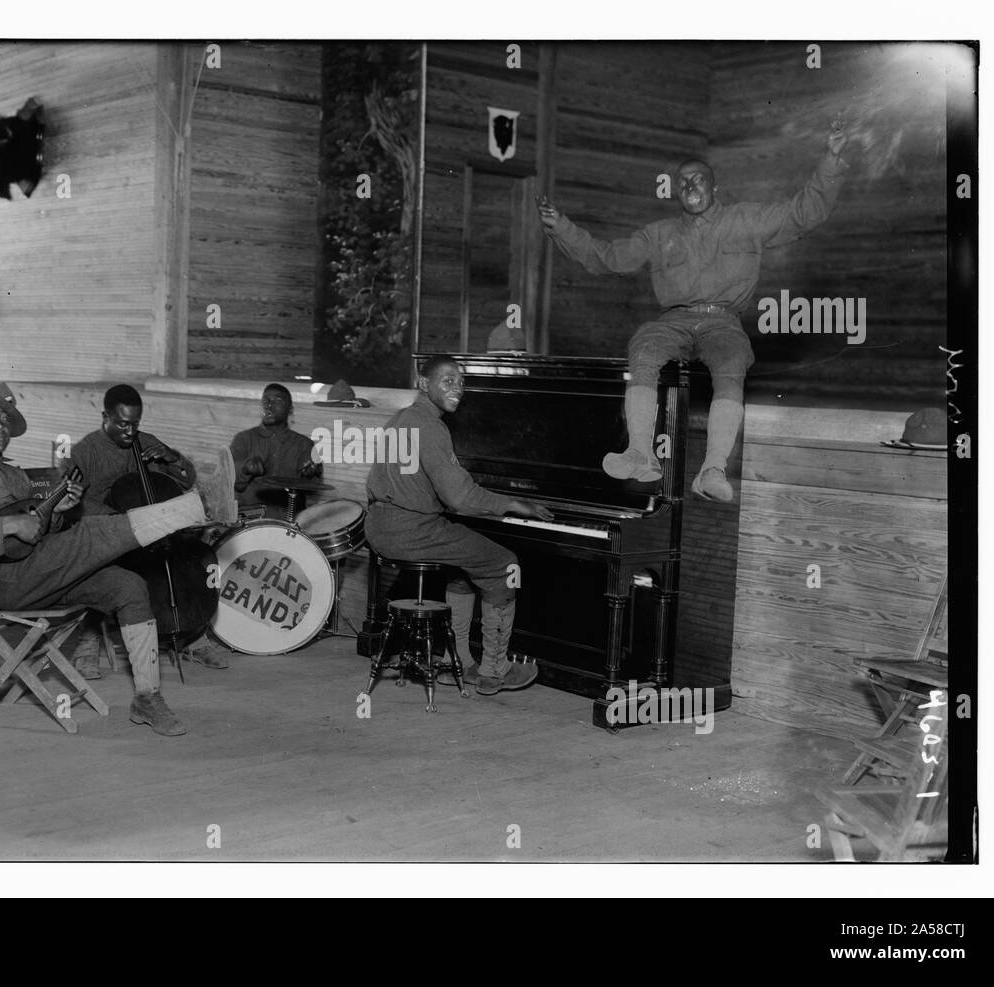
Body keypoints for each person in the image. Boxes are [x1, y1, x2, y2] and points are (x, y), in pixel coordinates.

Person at [538, 120, 850, 502]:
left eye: (698, 179)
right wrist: (560, 227)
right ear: (675, 193)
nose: (690, 187)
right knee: (644, 346)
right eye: (682, 182)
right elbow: (607, 258)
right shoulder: (658, 234)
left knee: (733, 360)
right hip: (674, 320)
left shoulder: (746, 220)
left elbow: (805, 212)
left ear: (714, 186)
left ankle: (712, 470)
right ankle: (641, 454)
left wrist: (831, 159)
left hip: (723, 322)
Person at [0, 381, 235, 737]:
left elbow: (37, 532)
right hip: (8, 582)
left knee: (128, 586)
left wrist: (57, 512)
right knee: (91, 532)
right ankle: (202, 505)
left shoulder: (13, 474)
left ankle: (147, 698)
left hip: (39, 574)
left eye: (4, 420)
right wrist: (7, 524)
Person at [364, 355, 554, 696]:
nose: (458, 389)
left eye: (462, 382)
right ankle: (496, 669)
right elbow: (461, 498)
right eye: (448, 381)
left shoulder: (401, 418)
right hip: (412, 530)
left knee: (463, 565)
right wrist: (514, 504)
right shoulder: (431, 427)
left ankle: (460, 663)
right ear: (424, 384)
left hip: (379, 525)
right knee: (504, 563)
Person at [63, 384, 229, 671]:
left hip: (153, 530)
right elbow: (72, 504)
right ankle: (89, 638)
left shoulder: (144, 441)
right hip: (107, 531)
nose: (130, 433)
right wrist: (120, 516)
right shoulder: (84, 452)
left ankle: (193, 636)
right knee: (102, 568)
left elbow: (187, 479)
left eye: (135, 424)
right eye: (122, 424)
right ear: (105, 416)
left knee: (187, 555)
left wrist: (171, 455)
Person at [230, 383, 322, 517]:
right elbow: (232, 483)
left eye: (277, 401)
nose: (269, 405)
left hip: (289, 520)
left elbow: (313, 489)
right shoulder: (244, 439)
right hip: (250, 520)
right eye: (265, 400)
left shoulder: (304, 445)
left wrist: (310, 474)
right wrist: (245, 469)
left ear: (290, 410)